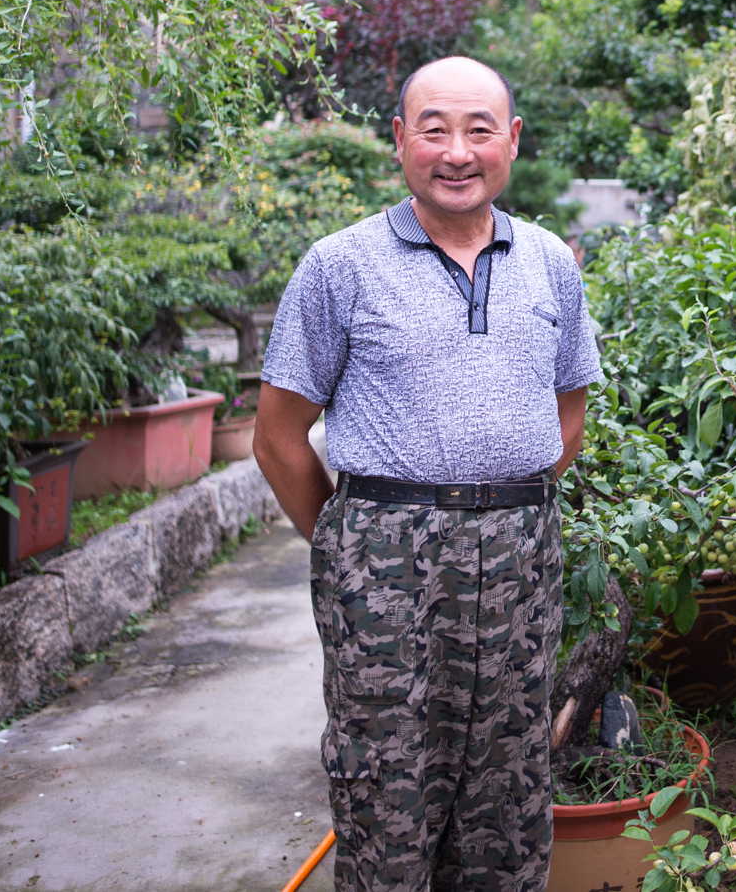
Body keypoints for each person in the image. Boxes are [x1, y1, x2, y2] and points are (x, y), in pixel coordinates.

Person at [254, 55, 600, 892]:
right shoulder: (340, 266)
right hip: (387, 564)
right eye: (434, 128)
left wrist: (494, 501)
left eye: (479, 129)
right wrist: (354, 543)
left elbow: (568, 411)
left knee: (509, 783)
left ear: (511, 141)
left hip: (522, 556)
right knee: (388, 785)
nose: (456, 150)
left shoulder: (551, 261)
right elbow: (277, 436)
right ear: (400, 138)